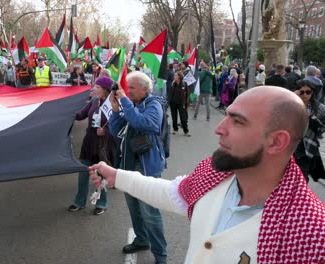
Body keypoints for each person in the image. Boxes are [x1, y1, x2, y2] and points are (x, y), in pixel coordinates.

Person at [90, 86, 325, 263]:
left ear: (277, 141)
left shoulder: (312, 236)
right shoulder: (213, 175)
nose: (219, 128)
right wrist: (117, 176)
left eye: (238, 122)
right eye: (227, 116)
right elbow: (172, 193)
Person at [109, 71, 167, 264]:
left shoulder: (154, 105)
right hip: (128, 165)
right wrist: (116, 111)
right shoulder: (131, 105)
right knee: (134, 209)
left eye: (131, 87)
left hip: (147, 168)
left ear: (145, 88)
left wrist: (124, 101)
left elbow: (146, 124)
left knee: (149, 213)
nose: (127, 91)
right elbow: (116, 131)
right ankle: (142, 240)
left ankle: (161, 255)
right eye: (127, 87)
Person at [68, 76, 116, 215]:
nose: (94, 89)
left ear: (105, 90)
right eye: (95, 86)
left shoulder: (112, 103)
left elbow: (119, 124)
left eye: (97, 87)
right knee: (83, 173)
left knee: (101, 175)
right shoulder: (94, 100)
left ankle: (101, 203)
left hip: (103, 145)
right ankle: (79, 201)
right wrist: (67, 112)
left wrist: (106, 130)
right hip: (89, 142)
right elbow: (81, 115)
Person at [293, 79, 325, 182]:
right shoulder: (289, 105)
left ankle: (300, 196)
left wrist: (311, 119)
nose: (305, 95)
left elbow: (321, 130)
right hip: (290, 144)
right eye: (302, 92)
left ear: (313, 92)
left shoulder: (319, 108)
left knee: (302, 177)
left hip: (307, 146)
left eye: (308, 92)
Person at [169, 71, 190, 136]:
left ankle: (185, 131)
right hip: (173, 103)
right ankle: (175, 129)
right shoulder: (173, 83)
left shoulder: (184, 83)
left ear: (179, 76)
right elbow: (170, 93)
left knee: (183, 118)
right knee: (174, 117)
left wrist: (186, 102)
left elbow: (187, 94)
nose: (174, 76)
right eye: (174, 75)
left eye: (175, 75)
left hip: (181, 103)